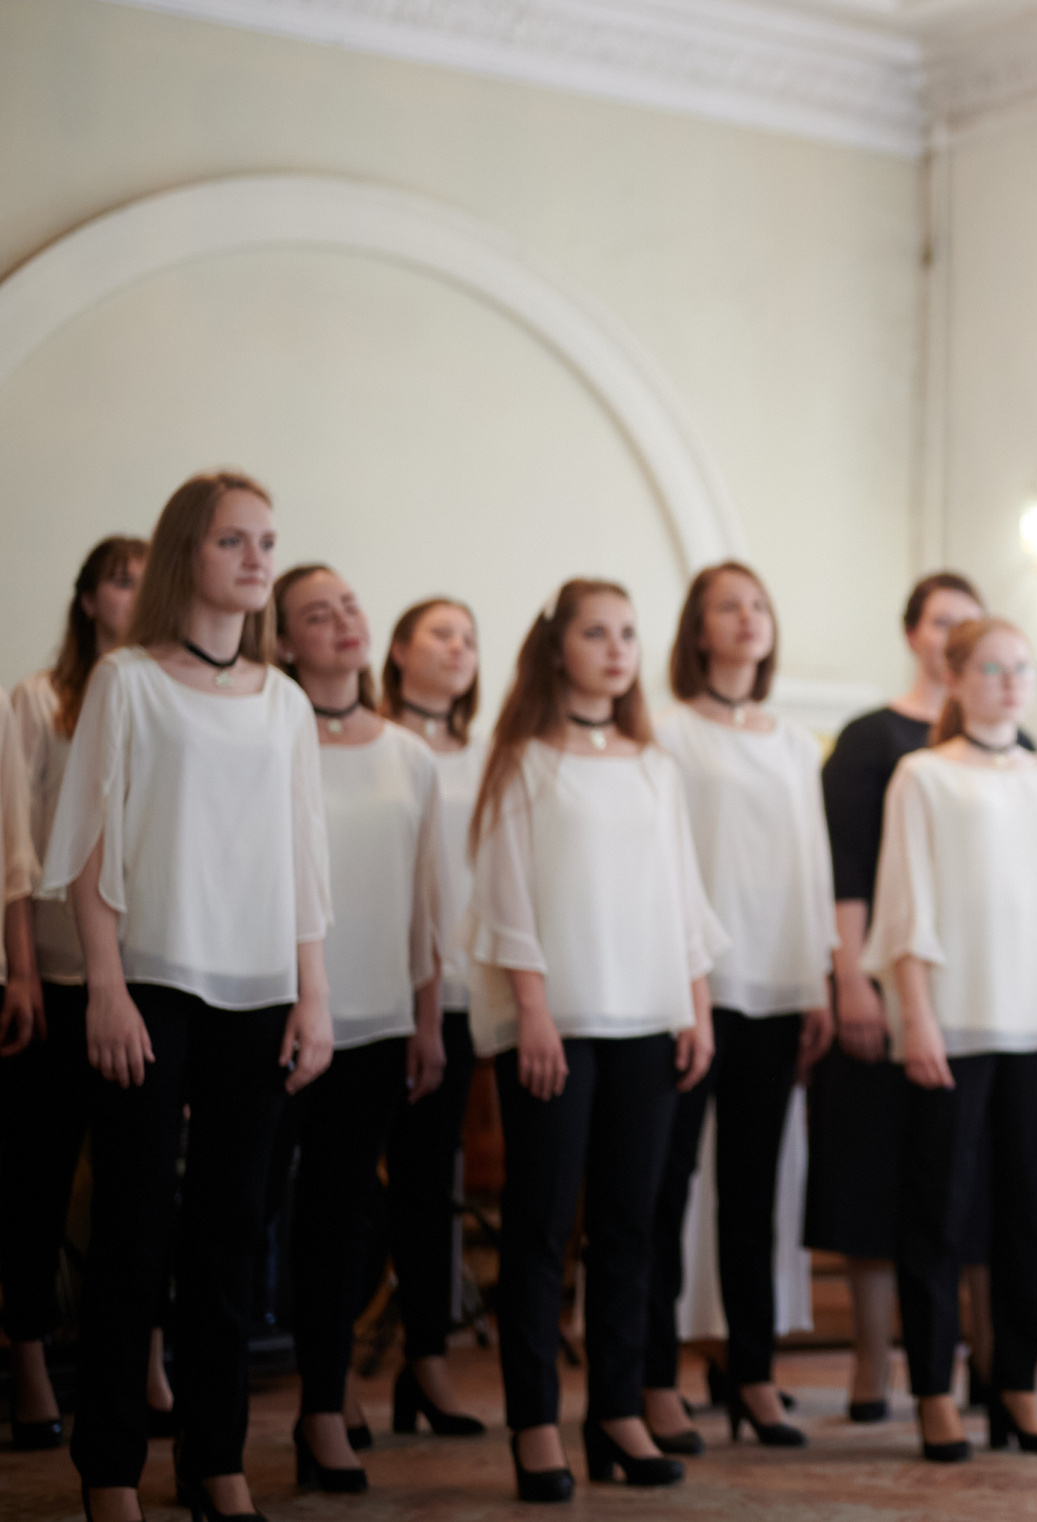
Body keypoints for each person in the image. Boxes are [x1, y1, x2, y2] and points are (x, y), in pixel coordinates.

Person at [40, 472, 333, 1522]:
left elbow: (303, 860)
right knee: (131, 1233)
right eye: (233, 541)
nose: (257, 559)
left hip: (261, 992)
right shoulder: (126, 680)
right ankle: (111, 1468)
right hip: (150, 984)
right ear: (186, 555)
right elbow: (88, 850)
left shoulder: (286, 698)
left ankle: (217, 1456)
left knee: (227, 1239)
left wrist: (315, 998)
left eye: (266, 541)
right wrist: (105, 989)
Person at [465, 578, 722, 1501]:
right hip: (557, 1025)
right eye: (596, 633)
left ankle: (616, 1411)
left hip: (649, 1022)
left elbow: (682, 899)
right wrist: (532, 1011)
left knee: (628, 1227)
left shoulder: (655, 766)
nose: (618, 650)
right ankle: (535, 1423)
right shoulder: (522, 760)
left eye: (628, 633)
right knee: (538, 1230)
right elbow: (505, 898)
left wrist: (694, 1006)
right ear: (556, 649)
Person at [867, 617, 1037, 1461]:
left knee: (1026, 1222)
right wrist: (917, 1016)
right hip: (956, 1023)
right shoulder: (923, 776)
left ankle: (1018, 1387)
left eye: (1022, 669)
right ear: (957, 676)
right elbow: (905, 904)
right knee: (938, 1214)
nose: (1010, 682)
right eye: (992, 668)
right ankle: (936, 1391)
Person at [643, 563, 835, 1452]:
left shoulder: (794, 742)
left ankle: (751, 1372)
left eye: (760, 604)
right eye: (730, 606)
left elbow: (812, 867)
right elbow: (663, 863)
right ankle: (654, 1378)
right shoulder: (669, 733)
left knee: (755, 1192)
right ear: (697, 628)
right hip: (693, 986)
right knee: (665, 1187)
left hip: (778, 984)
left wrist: (819, 979)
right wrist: (682, 983)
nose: (749, 619)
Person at [272, 563, 446, 1493]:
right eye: (316, 613)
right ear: (284, 640)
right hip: (272, 1013)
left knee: (342, 1220)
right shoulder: (266, 730)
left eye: (349, 606)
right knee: (251, 1210)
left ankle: (322, 1408)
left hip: (377, 1019)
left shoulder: (409, 754)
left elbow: (428, 904)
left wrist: (427, 1020)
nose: (341, 621)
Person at [812, 572, 992, 1419]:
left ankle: (986, 1359)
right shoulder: (871, 738)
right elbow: (845, 868)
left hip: (979, 992)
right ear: (915, 635)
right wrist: (853, 976)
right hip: (887, 984)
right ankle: (873, 1360)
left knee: (971, 1181)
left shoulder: (1007, 742)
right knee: (875, 1173)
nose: (957, 636)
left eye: (972, 624)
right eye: (943, 621)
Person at [2, 534, 147, 1453]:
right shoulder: (40, 700)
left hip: (144, 981)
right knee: (38, 1182)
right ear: (89, 599)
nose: (135, 595)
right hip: (53, 978)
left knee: (140, 1193)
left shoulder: (163, 698)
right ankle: (26, 1360)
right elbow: (16, 846)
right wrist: (19, 970)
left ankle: (147, 1361)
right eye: (119, 580)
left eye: (146, 580)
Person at [378, 596, 491, 1436]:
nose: (459, 648)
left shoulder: (491, 757)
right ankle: (328, 1379)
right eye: (441, 634)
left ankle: (427, 1361)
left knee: (429, 1187)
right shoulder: (366, 740)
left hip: (456, 999)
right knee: (342, 1188)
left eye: (469, 638)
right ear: (398, 650)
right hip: (366, 991)